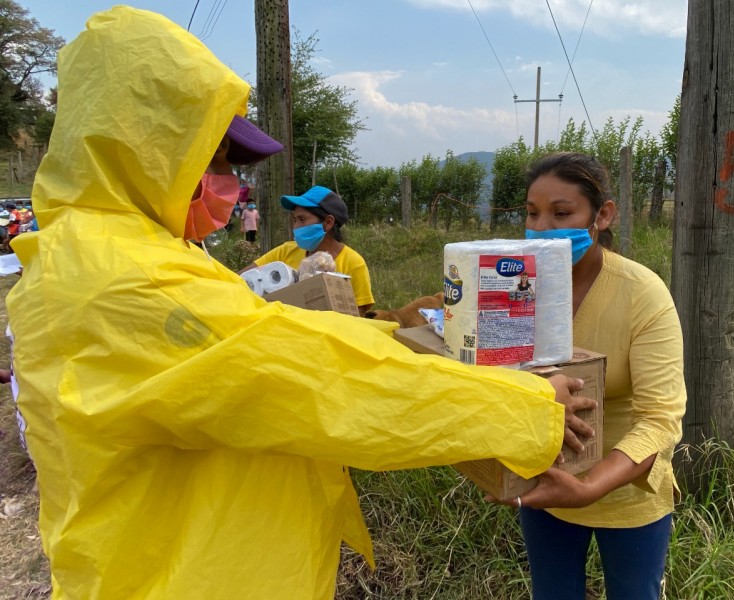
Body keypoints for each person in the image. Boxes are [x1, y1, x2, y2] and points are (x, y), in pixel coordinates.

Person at [6, 9, 596, 600]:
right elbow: (308, 378)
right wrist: (524, 408)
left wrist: (408, 343)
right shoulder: (124, 281)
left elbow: (281, 332)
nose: (225, 183)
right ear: (142, 148)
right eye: (211, 161)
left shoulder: (113, 254)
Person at [493, 152, 687, 600]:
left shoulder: (641, 294)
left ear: (602, 215)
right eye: (531, 213)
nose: (540, 229)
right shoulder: (518, 286)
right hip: (547, 478)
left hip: (626, 494)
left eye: (561, 213)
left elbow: (661, 418)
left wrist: (589, 487)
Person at [240, 185, 375, 316]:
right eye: (294, 220)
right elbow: (239, 278)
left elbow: (358, 318)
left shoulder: (354, 263)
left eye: (302, 219)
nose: (296, 227)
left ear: (328, 222)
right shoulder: (285, 251)